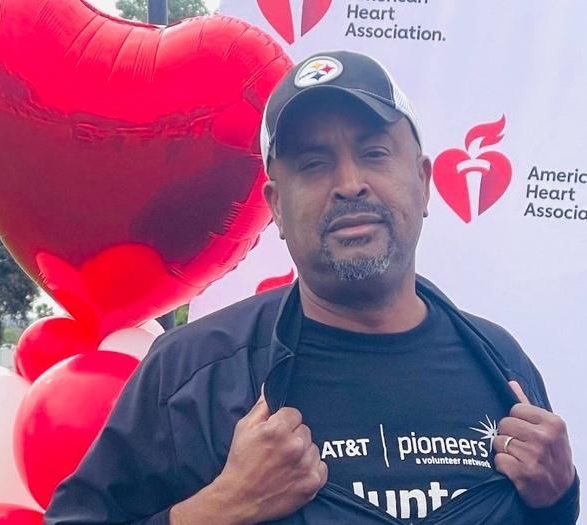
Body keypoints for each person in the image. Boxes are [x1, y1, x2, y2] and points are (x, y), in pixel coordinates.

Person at [44, 51, 579, 524]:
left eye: (374, 153)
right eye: (313, 164)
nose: (349, 184)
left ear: (423, 181)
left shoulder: (500, 363)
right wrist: (220, 507)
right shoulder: (191, 375)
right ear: (276, 206)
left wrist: (558, 497)